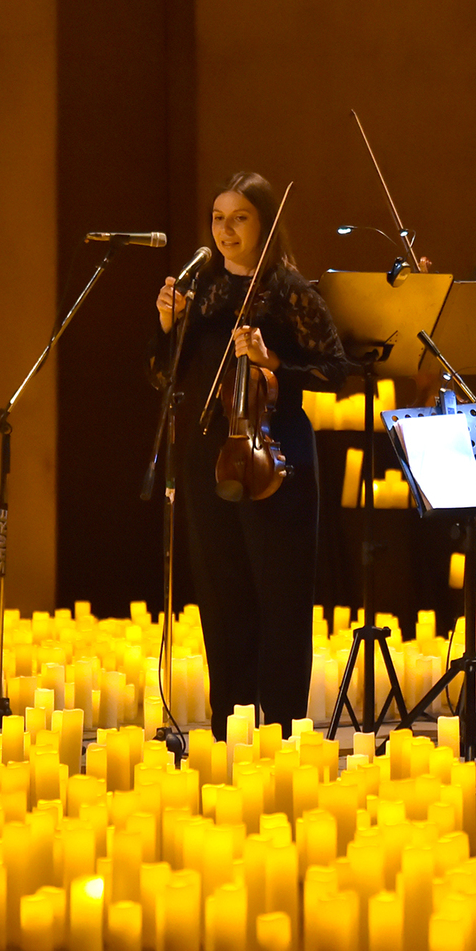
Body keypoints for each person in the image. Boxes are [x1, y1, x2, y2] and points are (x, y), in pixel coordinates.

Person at [154, 173, 355, 737]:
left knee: (282, 600)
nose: (226, 230)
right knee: (222, 600)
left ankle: (283, 732)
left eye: (239, 218)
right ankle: (230, 730)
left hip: (277, 457)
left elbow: (338, 373)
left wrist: (273, 366)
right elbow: (160, 375)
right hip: (207, 456)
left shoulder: (289, 290)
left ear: (263, 222)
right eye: (218, 218)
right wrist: (167, 327)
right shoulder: (201, 294)